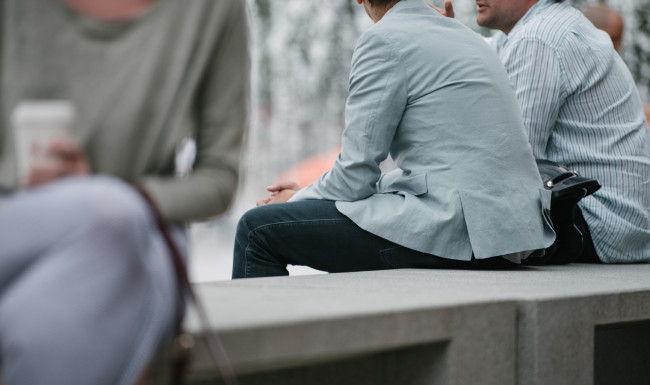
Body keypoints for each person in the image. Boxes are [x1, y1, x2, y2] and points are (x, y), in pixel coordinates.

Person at [0, 0, 250, 384]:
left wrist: (122, 198)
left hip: (144, 228)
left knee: (116, 224)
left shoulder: (213, 10)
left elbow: (218, 179)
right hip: (18, 225)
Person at [232, 0, 555, 279]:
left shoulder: (384, 40)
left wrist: (293, 200)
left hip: (461, 234)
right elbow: (449, 168)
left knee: (256, 230)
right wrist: (309, 194)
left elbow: (354, 178)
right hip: (510, 236)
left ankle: (255, 352)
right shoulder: (465, 36)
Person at [446, 0, 650, 263]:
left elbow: (512, 163)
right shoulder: (541, 27)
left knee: (424, 231)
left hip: (598, 223)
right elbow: (481, 51)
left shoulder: (538, 38)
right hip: (622, 225)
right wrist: (445, 31)